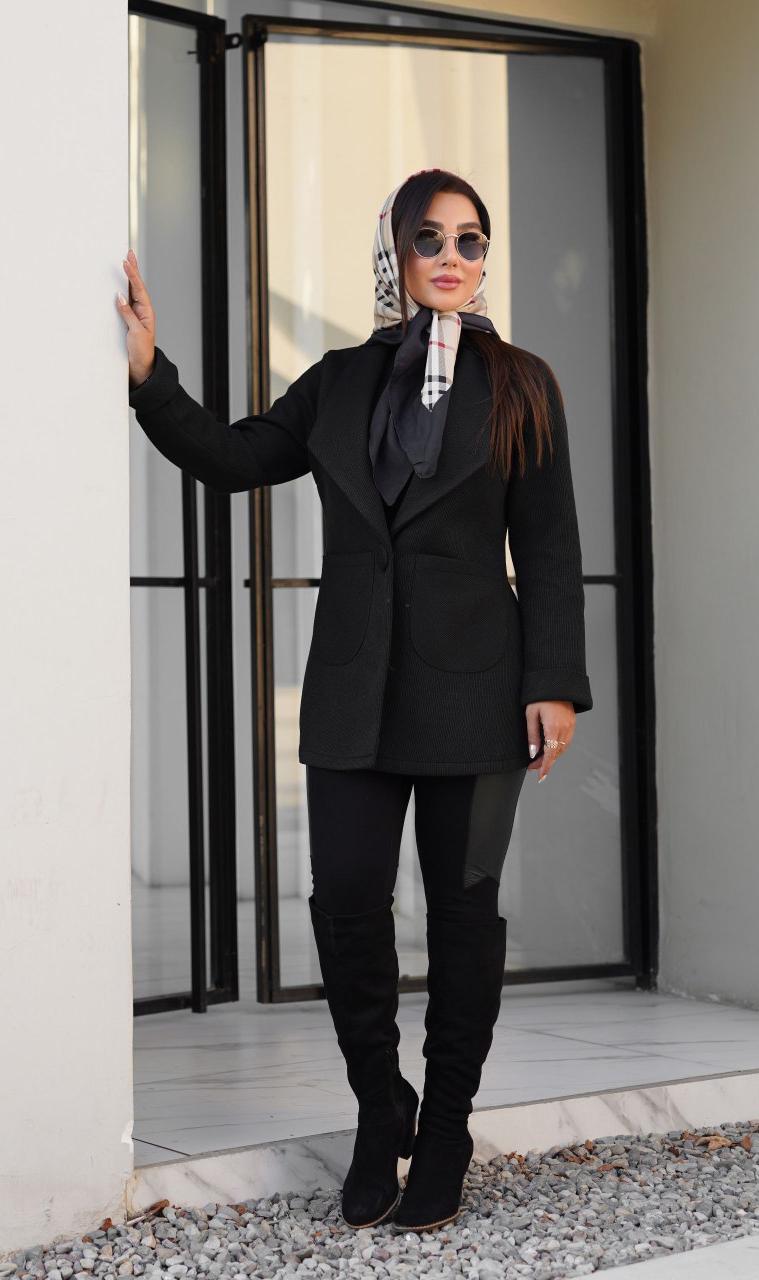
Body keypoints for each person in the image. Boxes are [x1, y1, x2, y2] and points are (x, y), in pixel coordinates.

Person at [117, 168, 592, 1234]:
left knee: (462, 916)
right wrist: (149, 374)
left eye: (469, 239)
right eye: (429, 238)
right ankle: (383, 1110)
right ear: (395, 250)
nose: (451, 256)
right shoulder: (337, 381)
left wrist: (554, 684)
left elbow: (551, 548)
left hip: (478, 694)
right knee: (342, 905)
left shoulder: (522, 383)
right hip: (352, 693)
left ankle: (448, 1128)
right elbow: (233, 457)